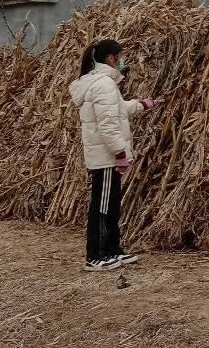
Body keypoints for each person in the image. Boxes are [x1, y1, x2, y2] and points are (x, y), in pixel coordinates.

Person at [68, 39, 162, 272]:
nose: (123, 61)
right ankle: (95, 256)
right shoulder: (104, 85)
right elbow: (108, 125)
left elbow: (117, 110)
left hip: (105, 155)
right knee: (102, 206)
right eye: (120, 57)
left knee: (110, 205)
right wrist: (120, 153)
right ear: (111, 59)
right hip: (106, 158)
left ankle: (112, 250)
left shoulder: (101, 84)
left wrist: (143, 104)